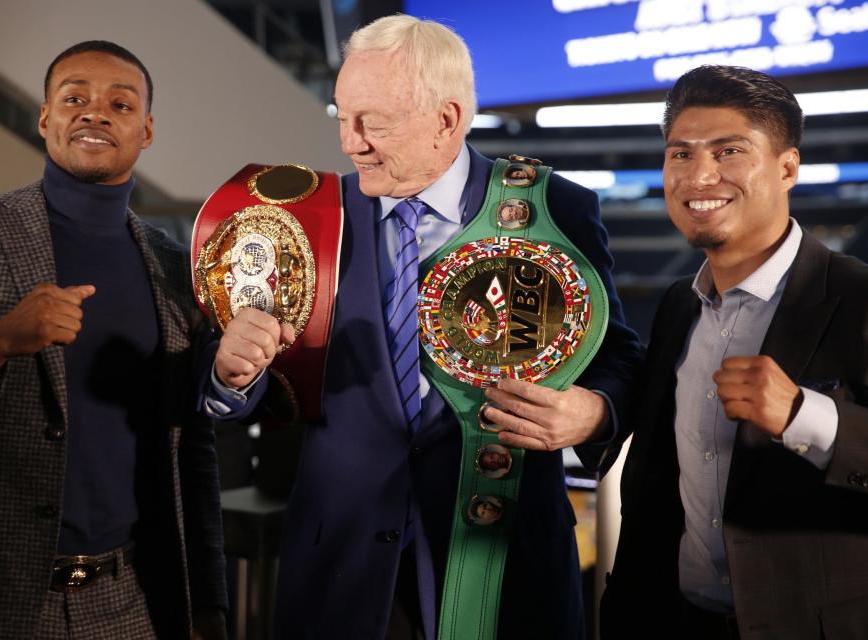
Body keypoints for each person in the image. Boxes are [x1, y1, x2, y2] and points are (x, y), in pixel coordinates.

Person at [211, 15, 642, 639]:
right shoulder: (307, 219)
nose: (349, 143)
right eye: (342, 116)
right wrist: (230, 373)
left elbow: (617, 357)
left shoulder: (554, 207)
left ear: (447, 119)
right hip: (343, 568)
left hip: (506, 558)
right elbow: (240, 383)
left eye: (373, 124)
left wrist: (593, 412)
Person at [0, 41, 227, 639]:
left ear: (146, 130)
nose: (95, 113)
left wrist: (209, 600)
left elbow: (193, 446)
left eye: (119, 102)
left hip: (130, 603)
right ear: (45, 118)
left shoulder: (175, 267)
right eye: (75, 98)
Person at [600, 65, 868, 640]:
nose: (700, 176)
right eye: (681, 155)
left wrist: (807, 417)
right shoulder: (681, 305)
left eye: (729, 151)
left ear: (787, 168)